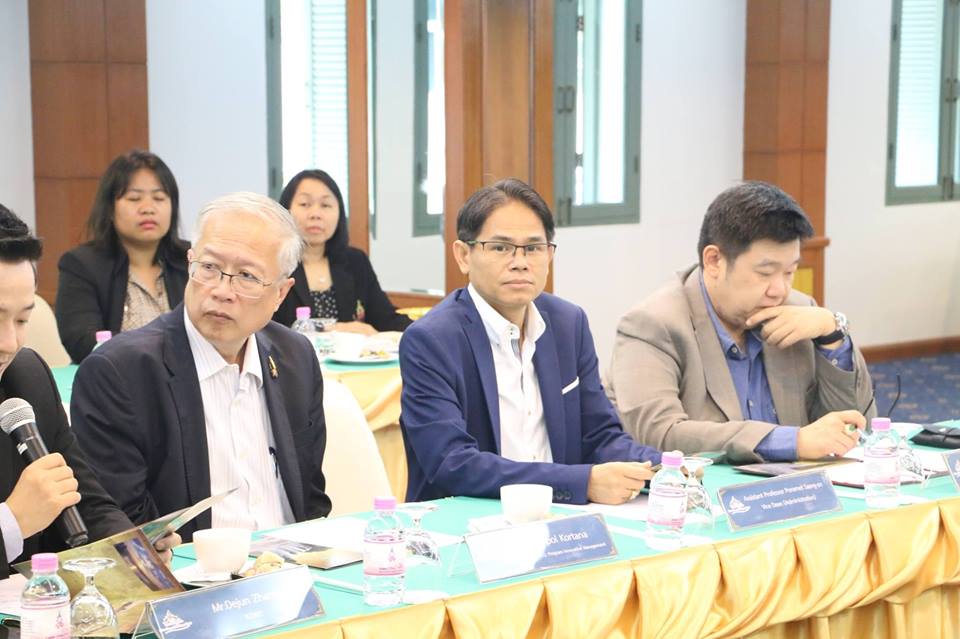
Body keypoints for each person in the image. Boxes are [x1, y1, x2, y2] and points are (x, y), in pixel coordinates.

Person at [70, 192, 331, 541]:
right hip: (191, 568)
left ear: (281, 294)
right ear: (190, 262)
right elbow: (122, 527)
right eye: (209, 268)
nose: (222, 290)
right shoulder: (120, 372)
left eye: (247, 276)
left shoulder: (295, 357)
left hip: (292, 559)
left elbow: (311, 500)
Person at [400, 178, 661, 505]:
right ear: (463, 255)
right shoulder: (431, 340)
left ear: (549, 254)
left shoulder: (568, 323)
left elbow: (599, 435)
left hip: (563, 520)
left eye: (534, 248)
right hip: (469, 520)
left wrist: (664, 467)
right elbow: (452, 463)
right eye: (500, 247)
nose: (520, 262)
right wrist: (581, 483)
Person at [606, 181, 874, 463]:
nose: (779, 290)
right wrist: (790, 441)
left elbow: (858, 430)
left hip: (800, 486)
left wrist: (832, 337)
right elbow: (658, 434)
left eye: (789, 272)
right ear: (714, 261)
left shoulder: (799, 311)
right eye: (765, 273)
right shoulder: (653, 324)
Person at [0, 204, 177, 579]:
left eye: (22, 319)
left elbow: (87, 502)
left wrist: (132, 550)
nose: (9, 343)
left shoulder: (26, 377)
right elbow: (20, 519)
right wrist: (12, 522)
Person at [56, 150, 190, 363]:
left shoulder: (192, 260)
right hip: (116, 377)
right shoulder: (82, 264)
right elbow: (82, 342)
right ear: (110, 209)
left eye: (159, 198)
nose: (148, 208)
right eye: (134, 198)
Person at [272, 169, 412, 333]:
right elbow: (265, 330)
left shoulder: (355, 261)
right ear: (286, 210)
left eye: (325, 205)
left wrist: (424, 331)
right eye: (305, 204)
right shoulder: (274, 263)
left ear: (339, 213)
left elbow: (385, 318)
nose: (315, 214)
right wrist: (337, 328)